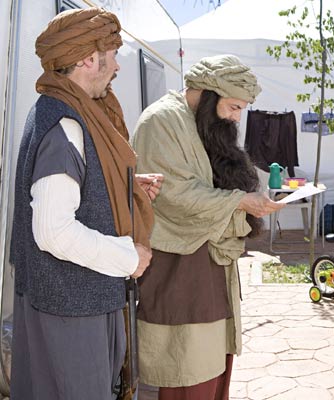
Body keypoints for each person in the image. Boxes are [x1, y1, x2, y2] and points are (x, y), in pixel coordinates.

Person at [9, 8, 162, 399]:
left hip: (75, 303)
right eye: (112, 56)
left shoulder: (63, 111)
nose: (117, 67)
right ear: (87, 59)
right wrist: (130, 257)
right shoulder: (66, 124)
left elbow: (75, 186)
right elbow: (53, 231)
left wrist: (123, 190)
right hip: (71, 311)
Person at [132, 54, 285, 399]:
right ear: (208, 94)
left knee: (214, 366)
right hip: (179, 272)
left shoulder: (200, 121)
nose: (235, 117)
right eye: (232, 107)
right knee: (187, 371)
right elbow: (172, 193)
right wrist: (240, 201)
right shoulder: (161, 121)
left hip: (212, 269)